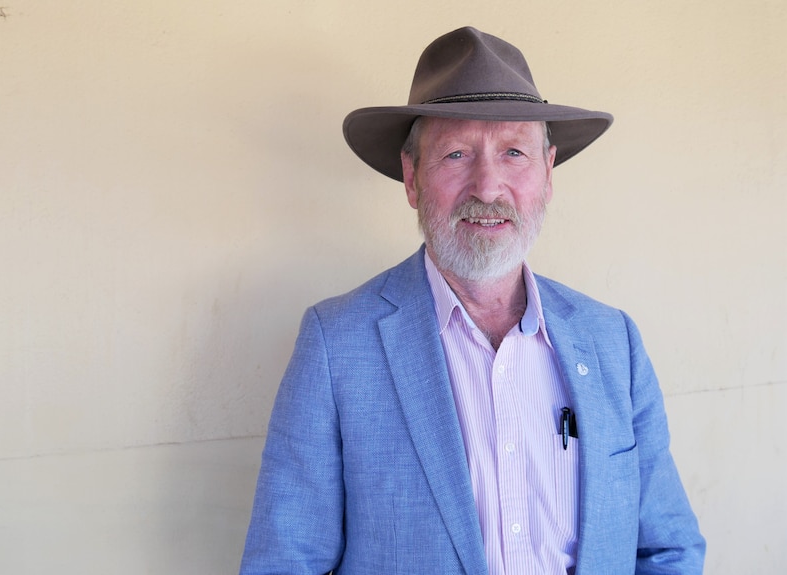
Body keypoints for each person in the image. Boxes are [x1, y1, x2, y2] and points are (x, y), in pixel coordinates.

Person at [240, 26, 705, 575]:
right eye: (457, 154)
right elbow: (285, 563)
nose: (488, 188)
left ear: (547, 172)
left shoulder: (613, 342)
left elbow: (667, 549)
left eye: (513, 152)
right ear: (412, 177)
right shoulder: (336, 346)